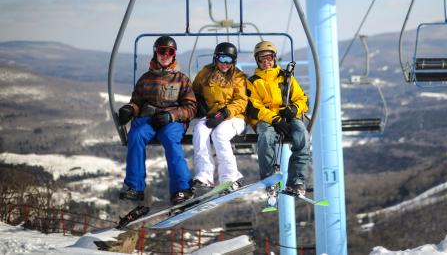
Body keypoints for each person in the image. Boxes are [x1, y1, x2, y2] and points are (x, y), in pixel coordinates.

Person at [117, 36, 197, 205]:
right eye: (162, 51)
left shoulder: (181, 79)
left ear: (174, 55)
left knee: (170, 139)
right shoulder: (146, 78)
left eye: (170, 52)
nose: (165, 55)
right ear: (156, 53)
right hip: (149, 119)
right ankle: (135, 187)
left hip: (172, 121)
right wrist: (130, 109)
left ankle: (182, 188)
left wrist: (172, 115)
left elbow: (191, 108)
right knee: (136, 135)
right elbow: (137, 101)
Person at [246, 41, 310, 199]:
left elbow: (302, 99)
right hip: (267, 119)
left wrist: (294, 109)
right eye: (262, 58)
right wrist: (274, 119)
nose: (266, 61)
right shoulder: (253, 81)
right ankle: (270, 179)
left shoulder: (286, 77)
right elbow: (255, 107)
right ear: (257, 61)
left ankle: (296, 181)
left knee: (302, 134)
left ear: (274, 58)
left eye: (269, 57)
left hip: (287, 116)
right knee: (266, 137)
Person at [191, 42, 248, 193]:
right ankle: (204, 174)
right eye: (222, 59)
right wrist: (198, 103)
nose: (225, 64)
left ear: (234, 62)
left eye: (229, 60)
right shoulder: (206, 72)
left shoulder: (238, 77)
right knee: (199, 130)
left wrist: (224, 113)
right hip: (212, 114)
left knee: (219, 134)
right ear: (216, 58)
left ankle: (230, 177)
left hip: (234, 117)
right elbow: (194, 91)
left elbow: (241, 102)